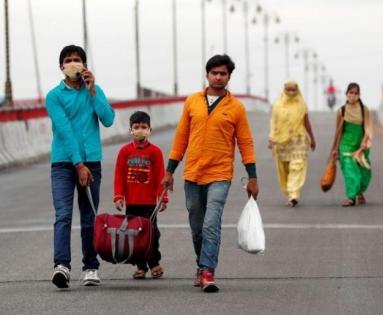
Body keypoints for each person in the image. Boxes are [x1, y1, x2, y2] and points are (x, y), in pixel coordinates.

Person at [162, 54, 259, 293]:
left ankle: (208, 271)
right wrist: (169, 171)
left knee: (210, 224)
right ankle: (200, 265)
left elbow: (245, 142)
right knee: (197, 227)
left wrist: (253, 176)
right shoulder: (192, 102)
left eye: (223, 73)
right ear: (207, 75)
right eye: (214, 72)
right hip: (193, 173)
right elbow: (181, 138)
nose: (218, 77)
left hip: (220, 174)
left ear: (228, 77)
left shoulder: (236, 107)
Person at [46, 45, 115, 288]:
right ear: (61, 66)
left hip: (92, 162)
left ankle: (90, 266)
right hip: (64, 163)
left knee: (89, 216)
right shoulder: (54, 96)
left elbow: (108, 119)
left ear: (85, 64)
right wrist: (78, 164)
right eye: (68, 60)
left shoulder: (94, 91)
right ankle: (61, 266)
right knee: (63, 215)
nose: (72, 63)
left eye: (77, 59)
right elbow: (64, 131)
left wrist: (93, 90)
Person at [113, 111, 168, 280]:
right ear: (131, 130)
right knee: (134, 235)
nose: (140, 130)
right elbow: (119, 175)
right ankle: (140, 267)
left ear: (149, 129)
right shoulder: (124, 152)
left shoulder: (155, 152)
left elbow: (161, 176)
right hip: (132, 203)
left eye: (143, 127)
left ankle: (154, 263)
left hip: (150, 204)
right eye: (136, 127)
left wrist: (163, 198)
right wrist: (118, 196)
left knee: (152, 234)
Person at [268, 80, 316, 207]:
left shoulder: (301, 104)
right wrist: (272, 138)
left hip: (298, 140)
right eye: (288, 90)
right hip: (281, 142)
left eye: (293, 90)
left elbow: (307, 122)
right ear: (284, 90)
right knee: (284, 169)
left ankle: (294, 194)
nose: (291, 92)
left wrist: (312, 138)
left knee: (297, 166)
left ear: (297, 90)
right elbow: (274, 122)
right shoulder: (278, 105)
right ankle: (289, 192)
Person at [330, 82, 372, 207]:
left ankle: (359, 192)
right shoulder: (341, 111)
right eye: (351, 93)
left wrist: (364, 142)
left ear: (359, 95)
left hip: (361, 147)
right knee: (350, 172)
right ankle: (351, 197)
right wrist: (335, 149)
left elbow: (368, 128)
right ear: (346, 94)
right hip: (346, 147)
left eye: (355, 93)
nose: (353, 95)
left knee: (365, 174)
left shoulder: (364, 110)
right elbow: (338, 132)